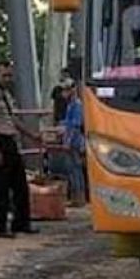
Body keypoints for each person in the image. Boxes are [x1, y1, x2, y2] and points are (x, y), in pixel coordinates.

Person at [0, 59, 40, 238]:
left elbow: (12, 119)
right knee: (0, 187)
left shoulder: (5, 94)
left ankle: (21, 223)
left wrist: (31, 135)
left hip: (9, 139)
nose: (8, 78)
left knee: (20, 184)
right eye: (4, 75)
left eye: (9, 75)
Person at [59, 77, 87, 205]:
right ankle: (77, 197)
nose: (64, 92)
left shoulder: (77, 105)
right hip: (71, 139)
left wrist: (68, 142)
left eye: (66, 89)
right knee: (73, 169)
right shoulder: (71, 105)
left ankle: (79, 197)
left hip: (74, 141)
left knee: (75, 169)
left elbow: (75, 126)